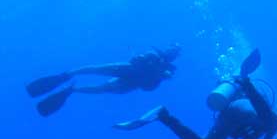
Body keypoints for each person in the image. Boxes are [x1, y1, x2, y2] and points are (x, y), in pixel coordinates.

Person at [115, 49, 277, 139]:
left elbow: (271, 125)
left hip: (231, 117)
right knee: (267, 118)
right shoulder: (270, 122)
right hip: (240, 106)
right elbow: (271, 123)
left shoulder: (267, 125)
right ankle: (245, 81)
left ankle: (164, 116)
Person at [24, 46, 181, 116]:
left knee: (101, 85)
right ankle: (67, 76)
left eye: (173, 52)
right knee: (96, 71)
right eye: (171, 50)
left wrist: (159, 73)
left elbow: (150, 87)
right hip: (129, 72)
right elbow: (136, 60)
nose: (170, 53)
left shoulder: (165, 70)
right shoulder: (154, 56)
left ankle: (71, 87)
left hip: (131, 81)